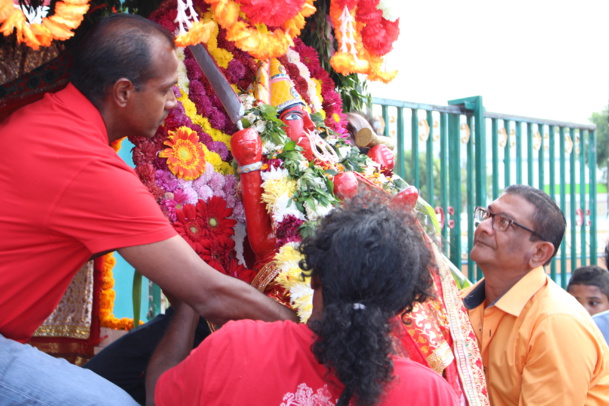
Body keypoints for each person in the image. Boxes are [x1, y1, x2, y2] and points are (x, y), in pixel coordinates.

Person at [0, 13, 295, 406]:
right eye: (167, 90)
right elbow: (208, 292)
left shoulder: (49, 119)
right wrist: (309, 331)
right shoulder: (87, 165)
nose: (174, 103)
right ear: (123, 92)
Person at [145, 191, 460, 406]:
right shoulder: (429, 394)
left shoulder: (236, 345)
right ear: (404, 305)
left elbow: (159, 395)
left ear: (315, 276)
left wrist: (189, 301)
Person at [461, 184, 609, 405]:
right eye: (487, 215)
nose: (483, 227)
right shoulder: (459, 303)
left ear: (539, 253)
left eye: (503, 222)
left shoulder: (555, 323)